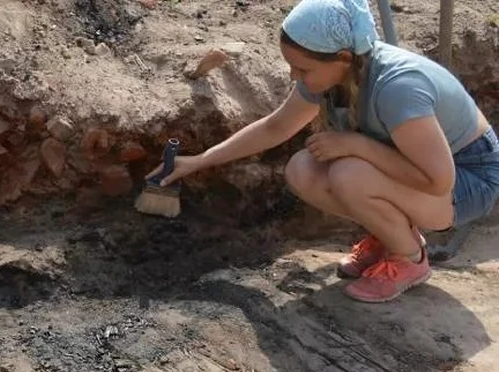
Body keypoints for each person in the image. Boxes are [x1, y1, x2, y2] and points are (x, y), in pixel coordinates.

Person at [149, 0, 499, 303]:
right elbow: (275, 127)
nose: (293, 76)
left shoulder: (397, 87)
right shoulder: (335, 75)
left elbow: (438, 179)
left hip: (469, 179)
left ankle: (410, 259)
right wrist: (199, 160)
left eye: (302, 69)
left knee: (349, 173)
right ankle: (391, 235)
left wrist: (357, 145)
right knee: (303, 168)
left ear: (343, 57)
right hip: (422, 174)